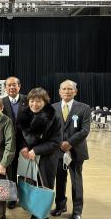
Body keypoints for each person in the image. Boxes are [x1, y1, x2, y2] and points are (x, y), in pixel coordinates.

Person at [17, 87, 62, 219]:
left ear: (45, 102)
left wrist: (36, 150)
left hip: (46, 158)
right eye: (32, 101)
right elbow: (19, 136)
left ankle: (41, 215)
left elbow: (56, 142)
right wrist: (24, 147)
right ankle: (32, 209)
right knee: (30, 185)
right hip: (28, 159)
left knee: (44, 187)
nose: (34, 104)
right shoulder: (23, 115)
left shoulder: (54, 117)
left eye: (38, 101)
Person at [51, 80, 91, 219]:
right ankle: (60, 206)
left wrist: (69, 143)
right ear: (59, 91)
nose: (67, 91)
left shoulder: (84, 108)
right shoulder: (53, 108)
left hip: (76, 151)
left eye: (70, 89)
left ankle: (77, 211)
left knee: (76, 182)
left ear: (75, 91)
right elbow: (50, 129)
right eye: (64, 89)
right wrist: (59, 143)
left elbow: (85, 130)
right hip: (58, 151)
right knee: (60, 180)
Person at [2, 76, 27, 209]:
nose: (12, 87)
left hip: (25, 145)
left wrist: (26, 144)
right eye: (9, 85)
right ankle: (12, 197)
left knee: (25, 172)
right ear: (5, 88)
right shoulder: (1, 102)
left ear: (19, 86)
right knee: (10, 171)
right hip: (8, 144)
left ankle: (24, 197)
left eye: (14, 85)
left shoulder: (28, 100)